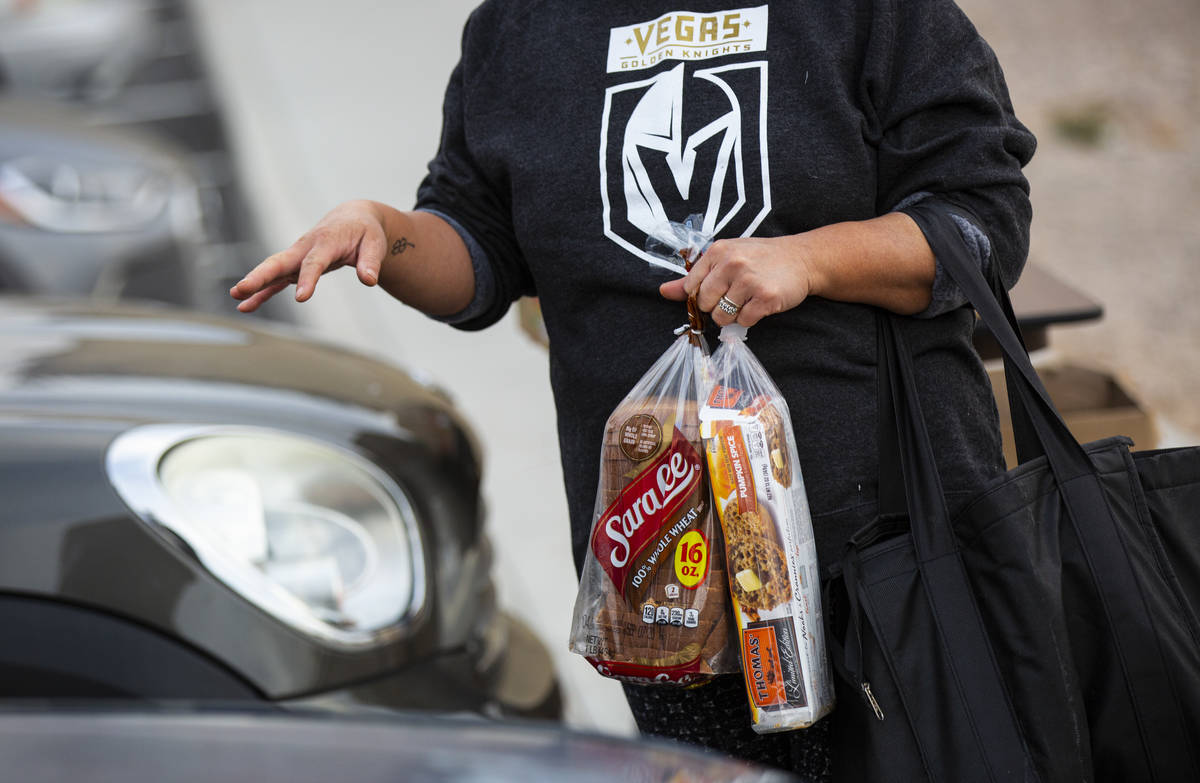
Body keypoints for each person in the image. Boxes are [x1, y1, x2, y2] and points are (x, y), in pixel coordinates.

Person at [231, 1, 1035, 778]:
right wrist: (386, 231)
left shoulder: (867, 15)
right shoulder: (518, 28)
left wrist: (809, 259)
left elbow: (981, 216)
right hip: (661, 580)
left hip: (889, 557)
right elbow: (477, 252)